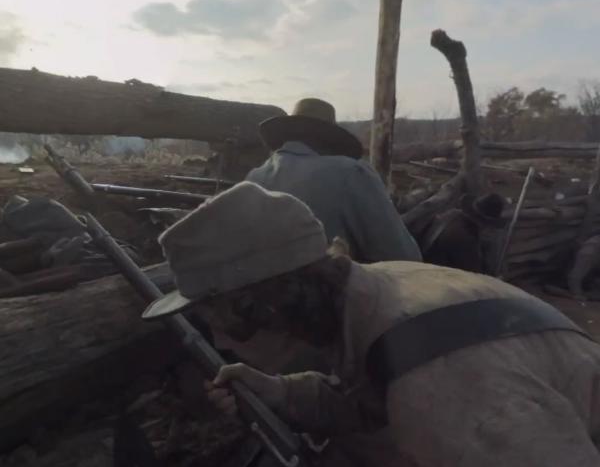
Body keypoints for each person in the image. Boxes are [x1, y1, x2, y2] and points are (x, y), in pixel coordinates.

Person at [143, 182, 600, 467]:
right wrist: (281, 394)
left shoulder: (442, 390)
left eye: (220, 322)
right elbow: (370, 398)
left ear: (267, 307)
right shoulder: (376, 294)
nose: (220, 341)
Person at [246, 97, 421, 263]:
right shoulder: (351, 172)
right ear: (329, 138)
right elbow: (404, 257)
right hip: (326, 291)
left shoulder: (254, 178)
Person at [417, 193, 506, 274]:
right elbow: (475, 274)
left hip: (425, 259)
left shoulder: (452, 214)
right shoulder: (465, 239)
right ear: (484, 222)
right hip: (435, 273)